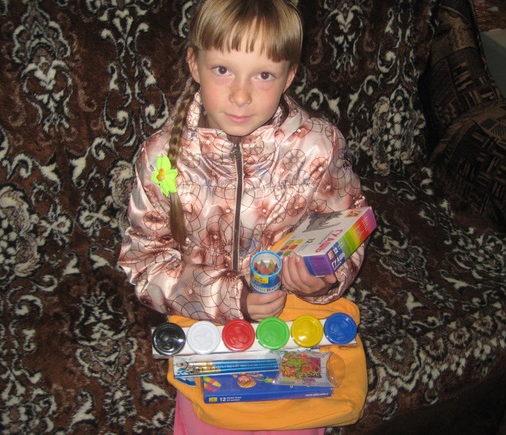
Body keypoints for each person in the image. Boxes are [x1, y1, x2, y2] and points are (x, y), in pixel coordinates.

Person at [119, 0, 366, 433]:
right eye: (223, 69)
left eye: (263, 75)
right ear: (194, 64)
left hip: (292, 329)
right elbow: (144, 262)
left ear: (289, 76)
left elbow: (346, 226)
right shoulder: (162, 160)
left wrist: (326, 277)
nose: (240, 94)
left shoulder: (318, 148)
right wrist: (234, 298)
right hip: (205, 328)